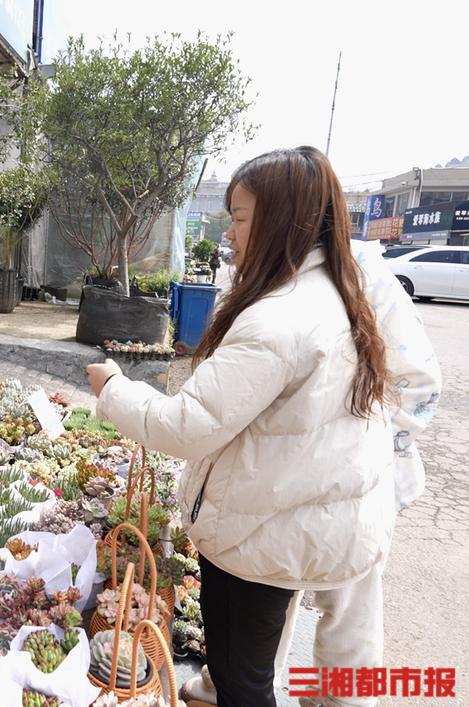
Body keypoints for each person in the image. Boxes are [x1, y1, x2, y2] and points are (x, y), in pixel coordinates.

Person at [87, 146, 394, 707]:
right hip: (295, 515)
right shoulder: (331, 291)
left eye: (241, 218)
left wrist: (113, 389)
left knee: (242, 680)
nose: (229, 233)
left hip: (263, 532)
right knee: (247, 672)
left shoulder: (279, 318)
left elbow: (187, 425)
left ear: (281, 222)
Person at [178, 237, 442, 707]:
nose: (234, 235)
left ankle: (343, 701)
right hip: (278, 483)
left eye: (244, 217)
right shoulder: (263, 268)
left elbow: (418, 382)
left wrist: (357, 451)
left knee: (349, 612)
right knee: (268, 597)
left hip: (354, 487)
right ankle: (236, 687)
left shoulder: (359, 268)